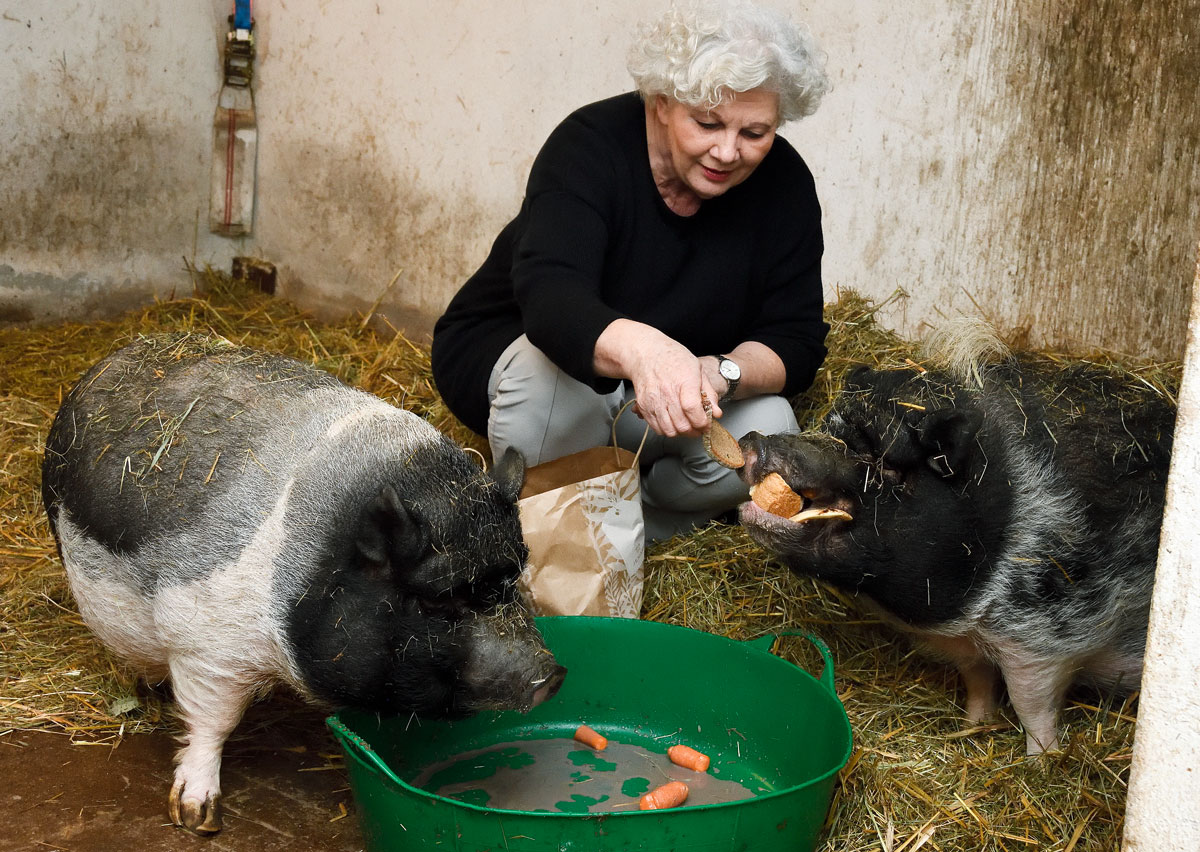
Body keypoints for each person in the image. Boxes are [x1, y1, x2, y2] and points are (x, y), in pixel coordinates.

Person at [431, 0, 831, 541]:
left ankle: (628, 525)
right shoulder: (589, 145)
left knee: (774, 426)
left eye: (755, 133)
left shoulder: (784, 185)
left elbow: (796, 338)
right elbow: (551, 301)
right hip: (540, 368)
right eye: (707, 122)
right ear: (662, 102)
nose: (727, 151)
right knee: (548, 378)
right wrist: (648, 352)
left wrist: (720, 373)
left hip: (668, 396)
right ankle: (548, 533)